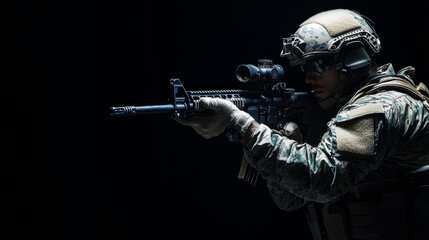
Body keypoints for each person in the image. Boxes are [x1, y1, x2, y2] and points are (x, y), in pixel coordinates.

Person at [175, 9, 429, 240]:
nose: (308, 78)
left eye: (318, 64)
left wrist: (248, 130)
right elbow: (290, 199)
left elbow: (325, 180)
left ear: (353, 59)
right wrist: (285, 141)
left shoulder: (385, 106)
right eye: (305, 67)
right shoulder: (343, 106)